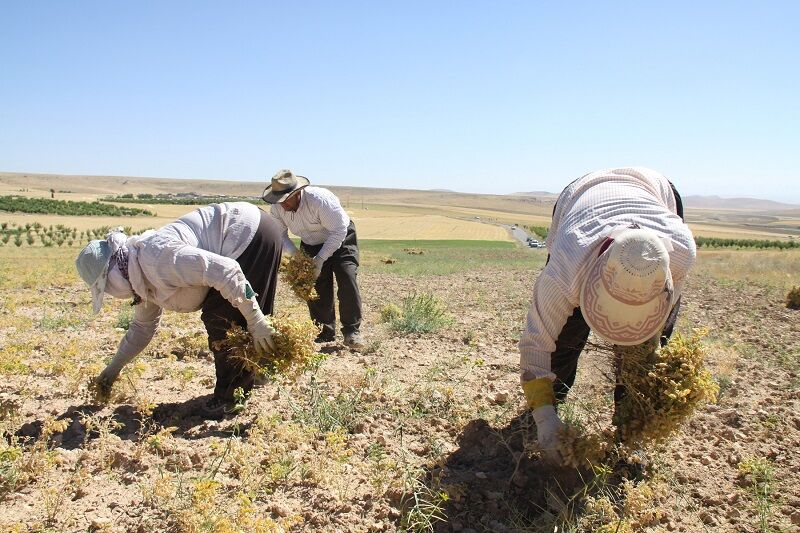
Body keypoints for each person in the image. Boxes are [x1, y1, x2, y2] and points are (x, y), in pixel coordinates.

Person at [519, 167, 696, 464]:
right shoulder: (566, 266)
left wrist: (647, 341)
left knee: (642, 355)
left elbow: (655, 329)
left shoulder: (680, 252)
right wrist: (545, 419)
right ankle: (549, 410)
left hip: (656, 190)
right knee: (565, 337)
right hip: (579, 196)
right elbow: (537, 345)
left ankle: (629, 433)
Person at [75, 202, 283, 418]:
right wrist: (112, 370)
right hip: (250, 235)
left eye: (107, 287)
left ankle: (229, 399)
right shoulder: (139, 280)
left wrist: (256, 321)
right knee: (229, 311)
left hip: (249, 233)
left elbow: (227, 272)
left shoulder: (155, 260)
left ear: (112, 274)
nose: (111, 293)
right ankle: (257, 371)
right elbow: (142, 329)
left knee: (221, 318)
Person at [262, 169, 365, 350]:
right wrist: (298, 257)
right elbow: (281, 234)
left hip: (339, 238)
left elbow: (339, 231)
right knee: (316, 285)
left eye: (286, 199)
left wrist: (320, 259)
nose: (283, 205)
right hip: (310, 242)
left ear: (297, 193)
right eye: (279, 200)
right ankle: (324, 332)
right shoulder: (277, 208)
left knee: (347, 277)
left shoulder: (320, 200)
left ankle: (352, 332)